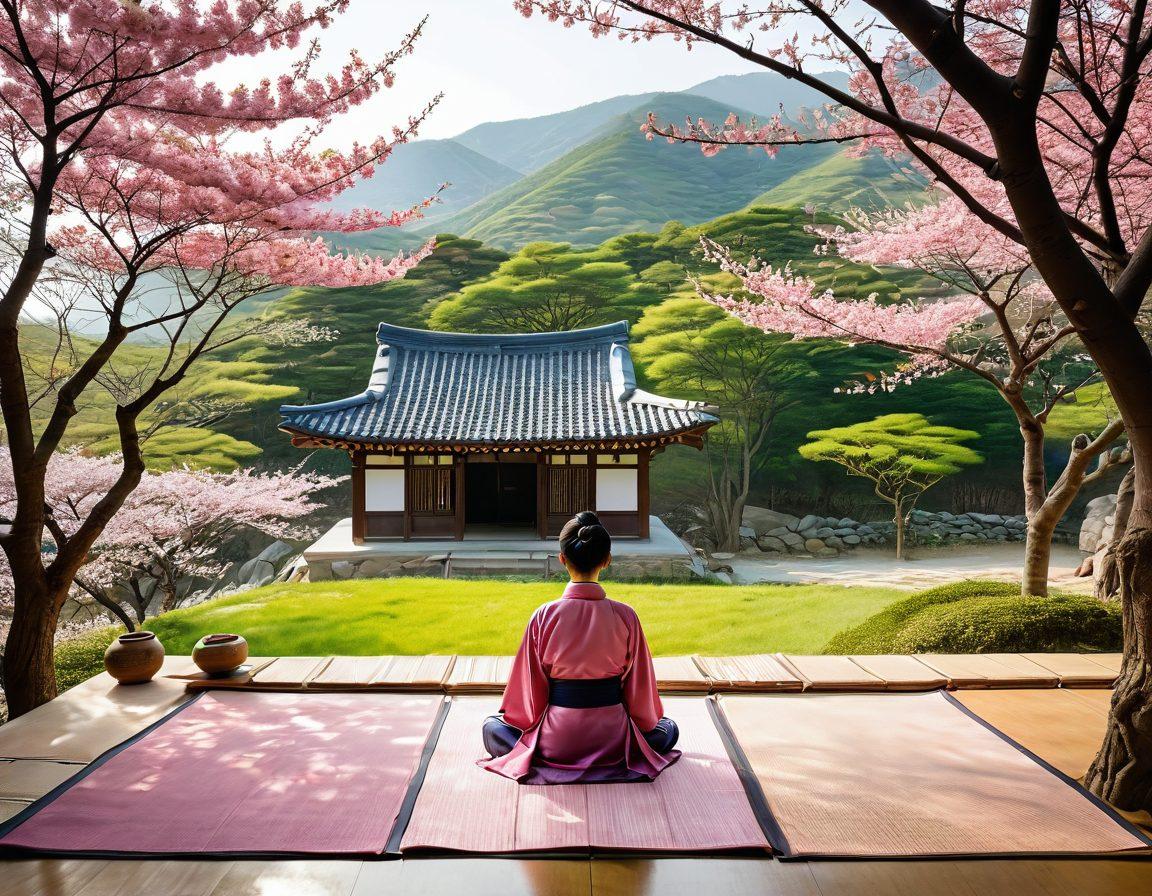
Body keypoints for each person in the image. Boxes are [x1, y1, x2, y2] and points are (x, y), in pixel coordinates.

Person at [480, 510, 680, 784]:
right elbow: (639, 692)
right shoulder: (626, 616)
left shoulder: (543, 616)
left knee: (492, 728)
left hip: (556, 741)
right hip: (613, 741)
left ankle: (544, 755)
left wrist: (532, 728)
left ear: (562, 559)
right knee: (668, 729)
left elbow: (529, 699)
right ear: (607, 560)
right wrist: (643, 727)